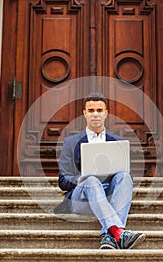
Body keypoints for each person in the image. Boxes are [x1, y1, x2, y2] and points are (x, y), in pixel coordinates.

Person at [56, 92, 145, 249]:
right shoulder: (70, 142)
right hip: (81, 199)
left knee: (124, 176)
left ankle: (109, 236)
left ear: (106, 113)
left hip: (110, 200)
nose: (95, 114)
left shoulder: (118, 142)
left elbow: (127, 181)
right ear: (84, 113)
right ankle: (119, 232)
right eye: (91, 111)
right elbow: (63, 181)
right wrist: (83, 178)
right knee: (91, 180)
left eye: (99, 110)